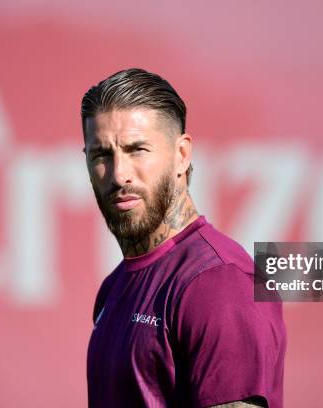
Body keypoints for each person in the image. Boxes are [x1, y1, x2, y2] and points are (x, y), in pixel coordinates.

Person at [82, 68, 286, 408]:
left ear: (181, 155)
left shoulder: (220, 284)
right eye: (101, 154)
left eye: (137, 150)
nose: (119, 175)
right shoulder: (113, 287)